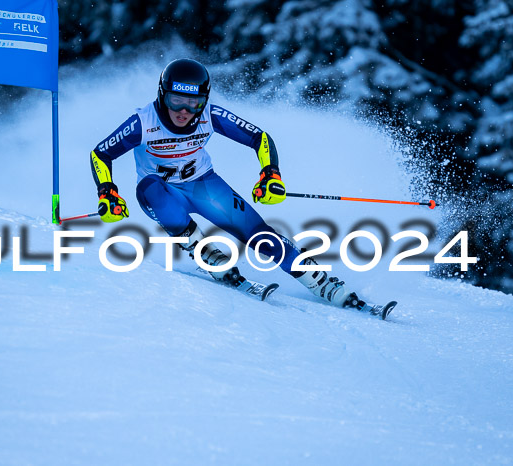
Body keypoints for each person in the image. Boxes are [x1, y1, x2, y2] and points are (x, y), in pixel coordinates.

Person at [89, 58, 385, 315]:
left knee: (259, 237)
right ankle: (202, 250)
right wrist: (108, 192)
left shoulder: (210, 115)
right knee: (151, 189)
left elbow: (261, 138)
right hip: (162, 193)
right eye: (175, 100)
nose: (183, 110)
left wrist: (270, 174)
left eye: (193, 103)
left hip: (204, 185)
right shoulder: (143, 122)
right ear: (162, 94)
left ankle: (319, 281)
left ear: (203, 100)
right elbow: (100, 154)